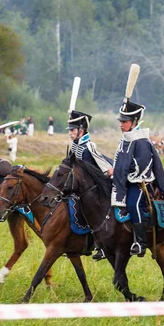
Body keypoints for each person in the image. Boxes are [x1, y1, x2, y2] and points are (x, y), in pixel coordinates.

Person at [111, 98, 164, 257]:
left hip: (139, 182)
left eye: (125, 121)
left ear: (134, 122)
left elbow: (141, 166)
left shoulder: (142, 141)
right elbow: (120, 160)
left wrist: (119, 171)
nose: (121, 124)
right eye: (121, 121)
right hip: (122, 180)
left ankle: (140, 242)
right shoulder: (126, 138)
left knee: (133, 204)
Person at [66, 110, 113, 260]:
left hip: (95, 187)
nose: (70, 133)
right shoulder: (74, 146)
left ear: (81, 130)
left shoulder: (88, 147)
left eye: (72, 130)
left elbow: (102, 167)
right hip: (80, 187)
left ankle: (102, 245)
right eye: (70, 130)